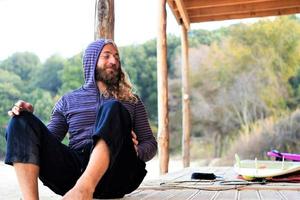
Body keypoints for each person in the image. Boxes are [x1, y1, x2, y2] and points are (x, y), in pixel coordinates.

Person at [5, 38, 157, 200]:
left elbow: (150, 143)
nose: (114, 61)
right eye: (106, 56)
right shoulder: (68, 101)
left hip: (118, 172)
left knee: (113, 107)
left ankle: (84, 189)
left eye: (117, 57)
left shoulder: (131, 101)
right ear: (92, 61)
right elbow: (48, 140)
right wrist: (30, 123)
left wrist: (137, 151)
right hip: (74, 172)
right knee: (19, 119)